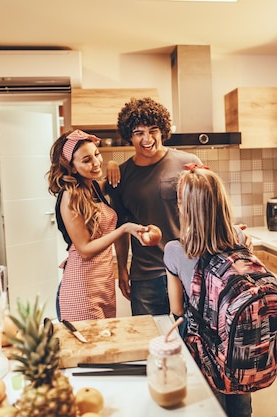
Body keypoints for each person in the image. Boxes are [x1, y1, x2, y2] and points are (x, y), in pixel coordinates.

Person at [163, 164, 253, 417]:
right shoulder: (238, 236)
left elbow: (177, 308)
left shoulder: (175, 250)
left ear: (184, 207)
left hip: (202, 344)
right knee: (240, 402)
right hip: (236, 338)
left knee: (210, 405)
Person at [106, 97, 203, 316]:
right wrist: (122, 268)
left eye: (153, 130)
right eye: (139, 133)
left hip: (188, 269)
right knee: (150, 341)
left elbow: (208, 209)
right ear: (129, 135)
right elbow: (121, 227)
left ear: (163, 131)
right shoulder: (122, 176)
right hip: (145, 277)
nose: (147, 139)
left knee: (191, 341)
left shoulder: (188, 163)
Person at [47, 129, 147, 321]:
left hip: (102, 284)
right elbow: (84, 249)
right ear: (72, 167)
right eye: (86, 160)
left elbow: (110, 181)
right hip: (82, 289)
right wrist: (124, 229)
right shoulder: (70, 196)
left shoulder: (92, 187)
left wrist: (112, 163)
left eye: (97, 154)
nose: (95, 163)